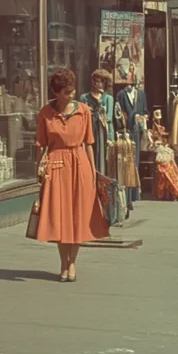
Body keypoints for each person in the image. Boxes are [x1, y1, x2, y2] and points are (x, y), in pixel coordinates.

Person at [35, 68, 110, 282]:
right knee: (61, 217)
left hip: (80, 164)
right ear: (57, 93)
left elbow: (89, 143)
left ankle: (73, 262)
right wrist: (38, 170)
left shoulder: (84, 110)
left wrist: (94, 172)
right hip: (57, 165)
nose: (71, 95)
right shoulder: (45, 113)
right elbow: (41, 145)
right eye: (67, 92)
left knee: (78, 216)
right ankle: (62, 263)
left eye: (73, 90)